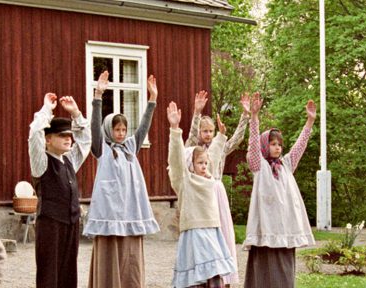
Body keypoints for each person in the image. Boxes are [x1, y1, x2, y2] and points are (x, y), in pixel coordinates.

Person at [83, 71, 160, 287]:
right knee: (111, 250)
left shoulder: (130, 147)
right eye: (117, 129)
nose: (121, 133)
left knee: (130, 254)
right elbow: (94, 128)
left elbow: (144, 126)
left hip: (130, 210)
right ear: (109, 130)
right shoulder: (102, 149)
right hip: (109, 212)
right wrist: (98, 96)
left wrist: (152, 99)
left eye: (124, 129)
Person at [241, 93, 317, 288]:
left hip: (284, 230)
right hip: (266, 229)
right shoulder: (259, 166)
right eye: (273, 144)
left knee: (284, 274)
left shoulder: (286, 165)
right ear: (266, 145)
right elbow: (253, 146)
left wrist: (309, 122)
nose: (277, 148)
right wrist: (254, 118)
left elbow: (300, 147)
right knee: (265, 273)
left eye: (280, 145)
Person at [166, 101, 237, 288]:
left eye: (205, 164)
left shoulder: (209, 180)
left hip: (212, 231)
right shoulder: (185, 182)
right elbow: (176, 161)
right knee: (194, 279)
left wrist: (221, 136)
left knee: (214, 276)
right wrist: (175, 130)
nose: (204, 166)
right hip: (194, 234)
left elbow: (212, 155)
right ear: (190, 165)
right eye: (200, 164)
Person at [28, 93, 91, 287]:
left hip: (71, 223)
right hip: (50, 224)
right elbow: (34, 133)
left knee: (68, 275)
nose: (68, 139)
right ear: (48, 139)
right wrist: (47, 109)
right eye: (62, 135)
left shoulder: (69, 160)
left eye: (69, 135)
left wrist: (75, 113)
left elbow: (85, 141)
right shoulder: (41, 162)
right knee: (49, 276)